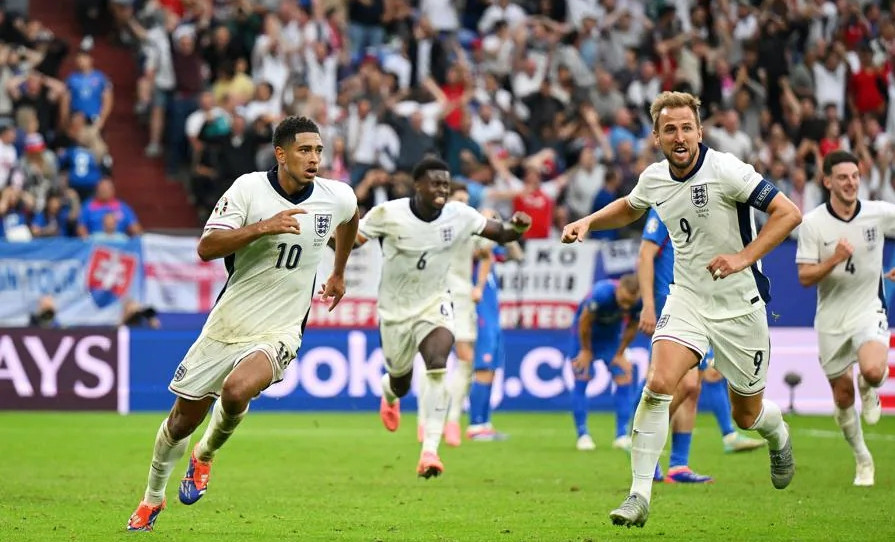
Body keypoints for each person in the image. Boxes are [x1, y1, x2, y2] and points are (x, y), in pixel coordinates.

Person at [562, 91, 802, 528]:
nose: (679, 136)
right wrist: (589, 222)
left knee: (745, 415)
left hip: (739, 304)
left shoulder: (727, 169)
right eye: (670, 128)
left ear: (699, 132)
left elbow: (789, 213)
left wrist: (742, 258)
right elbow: (630, 208)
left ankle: (777, 432)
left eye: (686, 127)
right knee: (657, 384)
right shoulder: (654, 177)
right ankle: (638, 495)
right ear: (656, 137)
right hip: (687, 297)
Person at [126, 116, 359, 532]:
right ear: (281, 154)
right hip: (228, 324)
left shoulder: (335, 195)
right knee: (181, 420)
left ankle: (205, 455)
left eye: (319, 150)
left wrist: (338, 271)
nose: (314, 159)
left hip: (282, 328)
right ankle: (152, 500)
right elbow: (206, 247)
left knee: (236, 390)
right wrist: (263, 227)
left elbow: (350, 218)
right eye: (305, 150)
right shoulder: (248, 189)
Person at [356, 156, 531, 478]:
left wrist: (518, 227)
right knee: (401, 380)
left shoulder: (459, 215)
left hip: (435, 302)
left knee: (439, 364)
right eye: (435, 183)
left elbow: (501, 233)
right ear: (417, 185)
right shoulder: (388, 213)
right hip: (394, 311)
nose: (441, 189)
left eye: (445, 184)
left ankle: (430, 452)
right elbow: (352, 240)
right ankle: (389, 392)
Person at [638, 209, 765, 484]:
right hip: (672, 304)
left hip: (700, 304)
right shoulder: (665, 205)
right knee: (685, 384)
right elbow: (646, 254)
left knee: (693, 388)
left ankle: (678, 466)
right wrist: (648, 305)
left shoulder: (705, 205)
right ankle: (644, 444)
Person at [795, 149, 892, 487]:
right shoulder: (812, 223)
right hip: (831, 318)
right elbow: (805, 277)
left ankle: (869, 386)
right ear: (827, 181)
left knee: (873, 370)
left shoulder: (878, 213)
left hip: (869, 308)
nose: (851, 183)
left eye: (854, 176)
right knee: (841, 397)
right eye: (842, 177)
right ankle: (862, 459)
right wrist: (833, 259)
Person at [417, 184, 491, 447]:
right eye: (459, 199)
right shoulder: (430, 225)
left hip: (461, 297)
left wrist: (479, 286)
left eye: (467, 200)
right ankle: (424, 420)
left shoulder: (470, 226)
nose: (463, 204)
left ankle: (453, 420)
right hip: (433, 297)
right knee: (433, 361)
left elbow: (486, 255)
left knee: (466, 358)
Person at [466, 209, 522, 441]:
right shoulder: (474, 251)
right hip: (479, 315)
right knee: (482, 368)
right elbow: (480, 250)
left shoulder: (492, 250)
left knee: (490, 370)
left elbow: (517, 255)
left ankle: (485, 424)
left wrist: (505, 229)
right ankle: (475, 425)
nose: (494, 223)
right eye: (490, 220)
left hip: (492, 315)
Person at [568, 275, 641, 452]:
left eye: (629, 303)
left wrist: (620, 353)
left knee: (624, 376)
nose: (625, 306)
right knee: (582, 376)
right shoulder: (601, 294)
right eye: (623, 301)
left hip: (611, 340)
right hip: (585, 337)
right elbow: (584, 322)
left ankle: (621, 435)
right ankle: (583, 435)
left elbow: (633, 325)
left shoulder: (638, 301)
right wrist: (585, 350)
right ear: (619, 289)